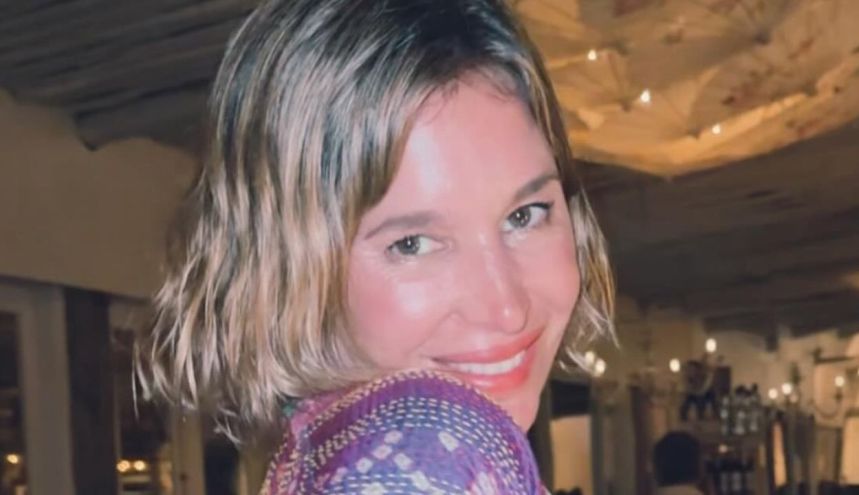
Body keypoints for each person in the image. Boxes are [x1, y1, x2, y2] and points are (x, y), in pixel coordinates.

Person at [136, 0, 615, 492]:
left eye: (525, 215)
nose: (507, 308)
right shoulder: (417, 468)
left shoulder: (328, 453)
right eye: (412, 244)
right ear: (287, 269)